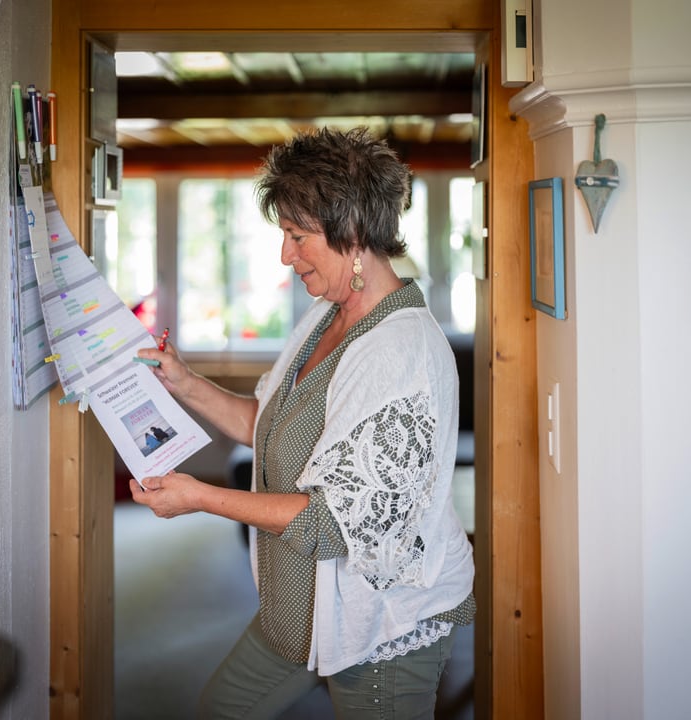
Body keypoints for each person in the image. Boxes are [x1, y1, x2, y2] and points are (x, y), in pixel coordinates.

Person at [131, 126, 475, 719]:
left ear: (355, 234)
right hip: (299, 617)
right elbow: (264, 424)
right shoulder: (324, 317)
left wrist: (200, 498)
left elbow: (331, 525)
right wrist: (183, 381)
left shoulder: (401, 352)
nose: (285, 255)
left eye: (297, 236)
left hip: (380, 627)